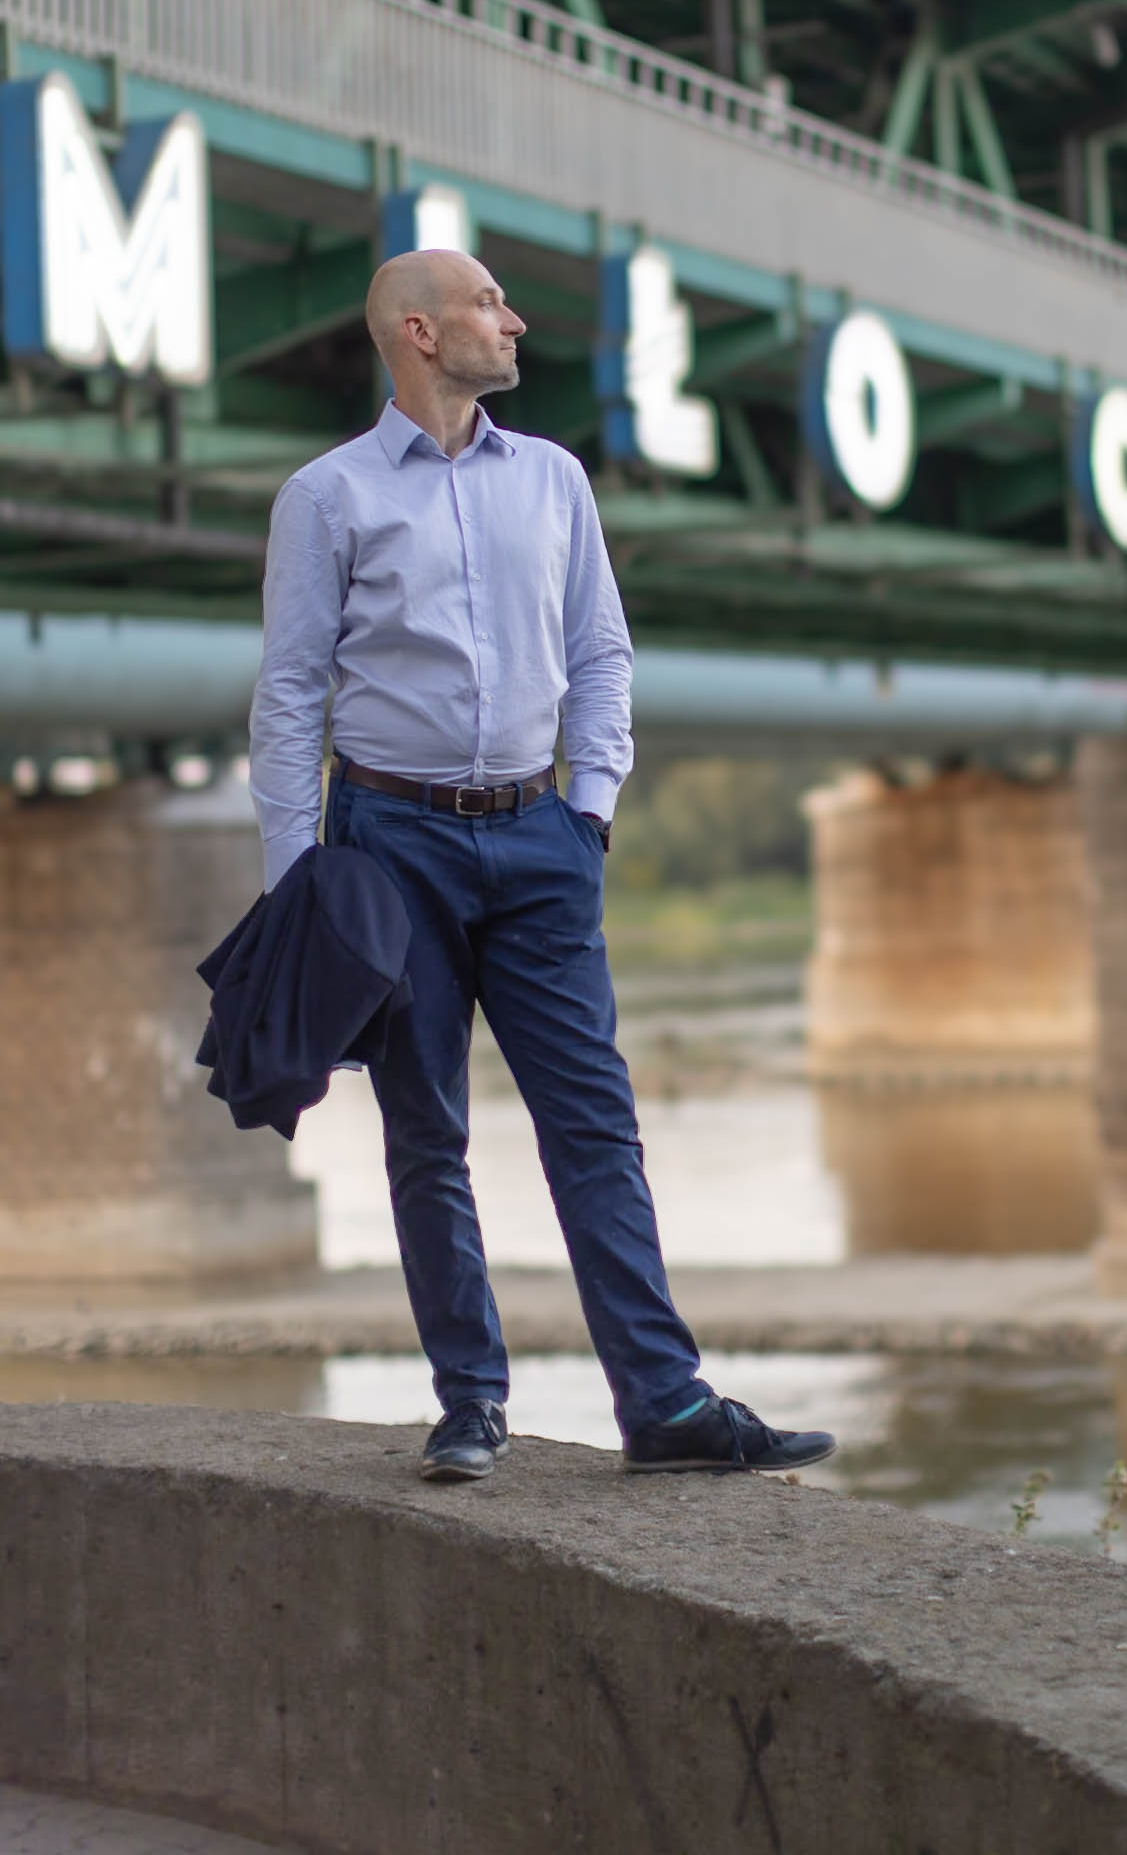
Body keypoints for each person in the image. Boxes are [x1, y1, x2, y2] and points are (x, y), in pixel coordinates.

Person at [248, 247, 836, 1484]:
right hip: (388, 847)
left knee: (595, 1128)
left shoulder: (556, 481)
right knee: (426, 1134)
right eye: (486, 305)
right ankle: (470, 1402)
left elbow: (602, 653)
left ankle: (664, 1404)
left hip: (540, 838)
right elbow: (292, 692)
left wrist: (592, 812)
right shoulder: (328, 496)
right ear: (418, 331)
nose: (512, 323)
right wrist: (300, 879)